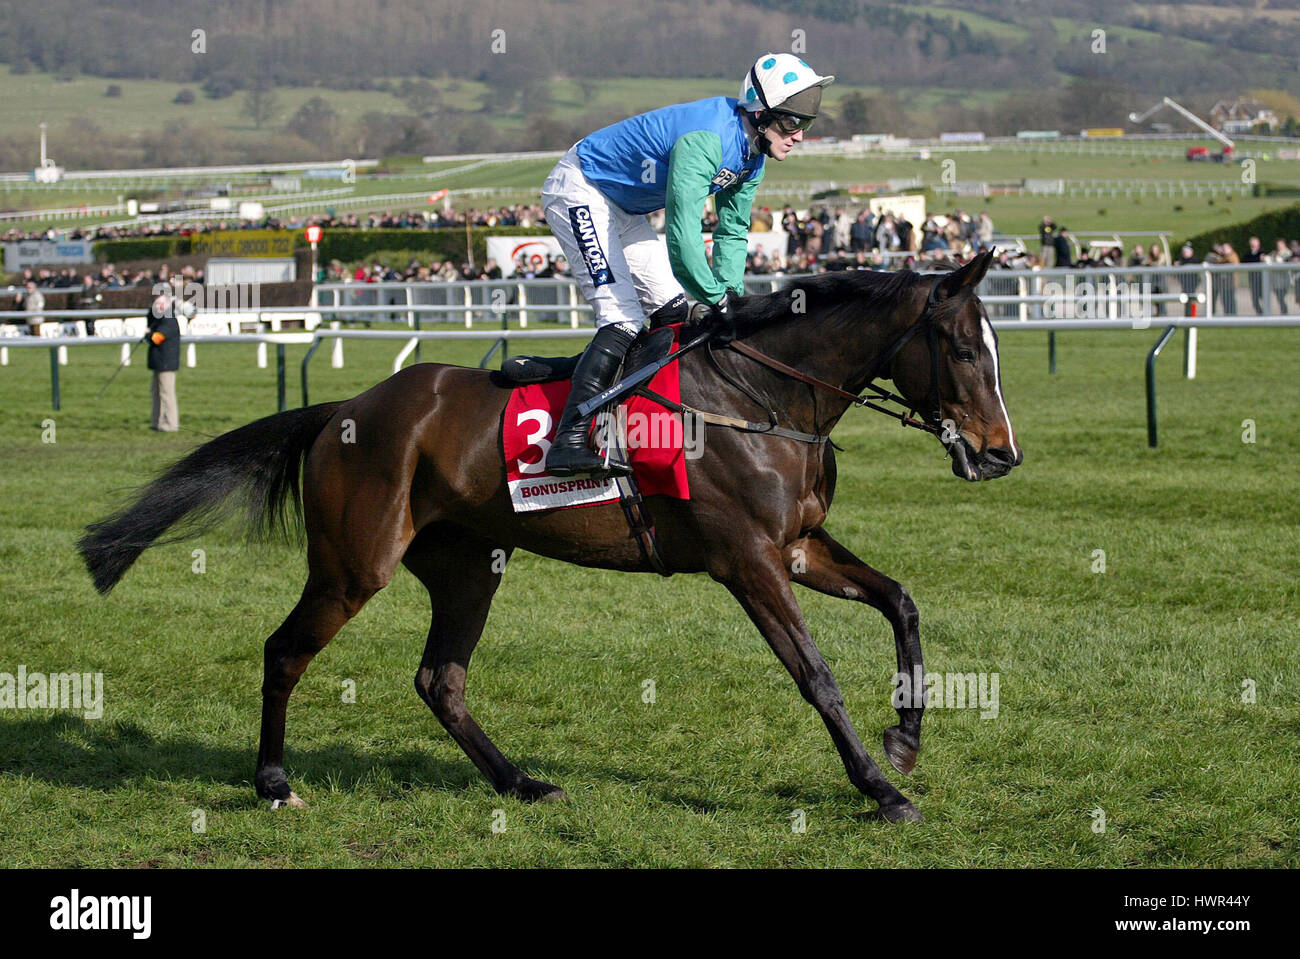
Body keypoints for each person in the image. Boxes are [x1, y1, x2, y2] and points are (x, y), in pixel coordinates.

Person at [539, 52, 833, 476]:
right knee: (621, 319)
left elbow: (732, 231)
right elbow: (682, 234)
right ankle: (569, 440)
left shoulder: (753, 157)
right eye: (790, 123)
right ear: (761, 113)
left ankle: (616, 408)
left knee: (673, 313)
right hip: (581, 188)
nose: (799, 136)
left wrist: (728, 294)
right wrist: (715, 299)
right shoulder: (706, 140)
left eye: (804, 124)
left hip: (623, 209)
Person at [146, 276, 189, 432]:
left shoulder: (169, 318)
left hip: (166, 362)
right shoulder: (160, 316)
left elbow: (158, 338)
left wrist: (149, 336)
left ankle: (170, 424)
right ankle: (157, 422)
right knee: (156, 392)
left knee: (166, 393)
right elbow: (150, 321)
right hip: (159, 361)